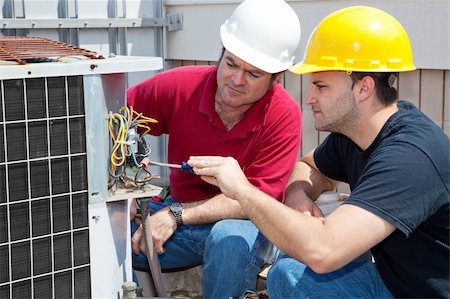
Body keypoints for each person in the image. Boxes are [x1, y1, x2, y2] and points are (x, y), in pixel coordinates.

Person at [188, 5, 450, 298]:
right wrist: (299, 198)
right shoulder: (356, 134)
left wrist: (241, 189)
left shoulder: (410, 158)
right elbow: (309, 166)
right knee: (288, 275)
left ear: (363, 89)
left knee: (311, 264)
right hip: (391, 282)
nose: (309, 98)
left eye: (320, 86)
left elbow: (324, 252)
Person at [126, 0, 302, 297]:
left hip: (241, 227)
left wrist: (175, 215)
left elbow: (256, 201)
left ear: (277, 77)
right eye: (231, 63)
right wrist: (122, 188)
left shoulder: (284, 115)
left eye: (254, 74)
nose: (236, 80)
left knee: (229, 239)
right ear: (220, 53)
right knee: (104, 235)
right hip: (173, 222)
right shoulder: (179, 87)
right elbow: (110, 121)